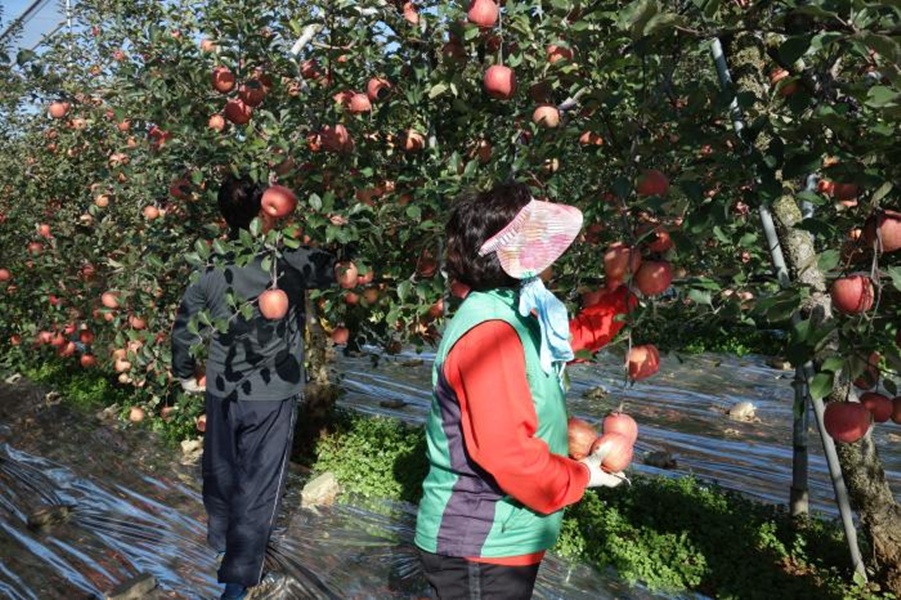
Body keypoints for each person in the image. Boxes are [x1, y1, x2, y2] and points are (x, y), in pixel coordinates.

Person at [415, 181, 631, 599]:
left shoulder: (517, 316)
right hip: (480, 542)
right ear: (520, 256)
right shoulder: (490, 334)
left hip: (504, 535)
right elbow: (505, 452)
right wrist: (579, 476)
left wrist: (623, 296)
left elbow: (572, 339)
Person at [171, 175, 336, 600]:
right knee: (259, 483)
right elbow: (336, 269)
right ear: (267, 210)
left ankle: (224, 543)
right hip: (272, 393)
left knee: (222, 469)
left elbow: (186, 327)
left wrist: (185, 372)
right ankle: (238, 580)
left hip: (223, 386)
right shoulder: (290, 263)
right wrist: (334, 227)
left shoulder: (210, 266)